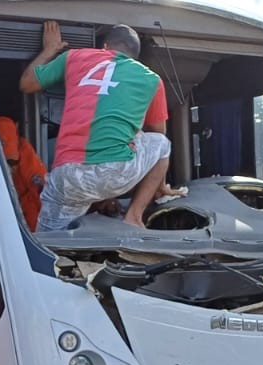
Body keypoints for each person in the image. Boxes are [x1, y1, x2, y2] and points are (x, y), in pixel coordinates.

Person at [20, 22, 176, 231]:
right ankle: (134, 217)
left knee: (49, 242)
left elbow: (27, 84)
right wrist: (160, 186)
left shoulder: (75, 56)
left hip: (67, 176)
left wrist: (50, 50)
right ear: (135, 56)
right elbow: (158, 135)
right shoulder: (150, 79)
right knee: (162, 143)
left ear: (104, 46)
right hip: (115, 174)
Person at [0, 116, 47, 231]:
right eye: (5, 162)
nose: (10, 168)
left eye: (12, 163)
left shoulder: (24, 150)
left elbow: (40, 190)